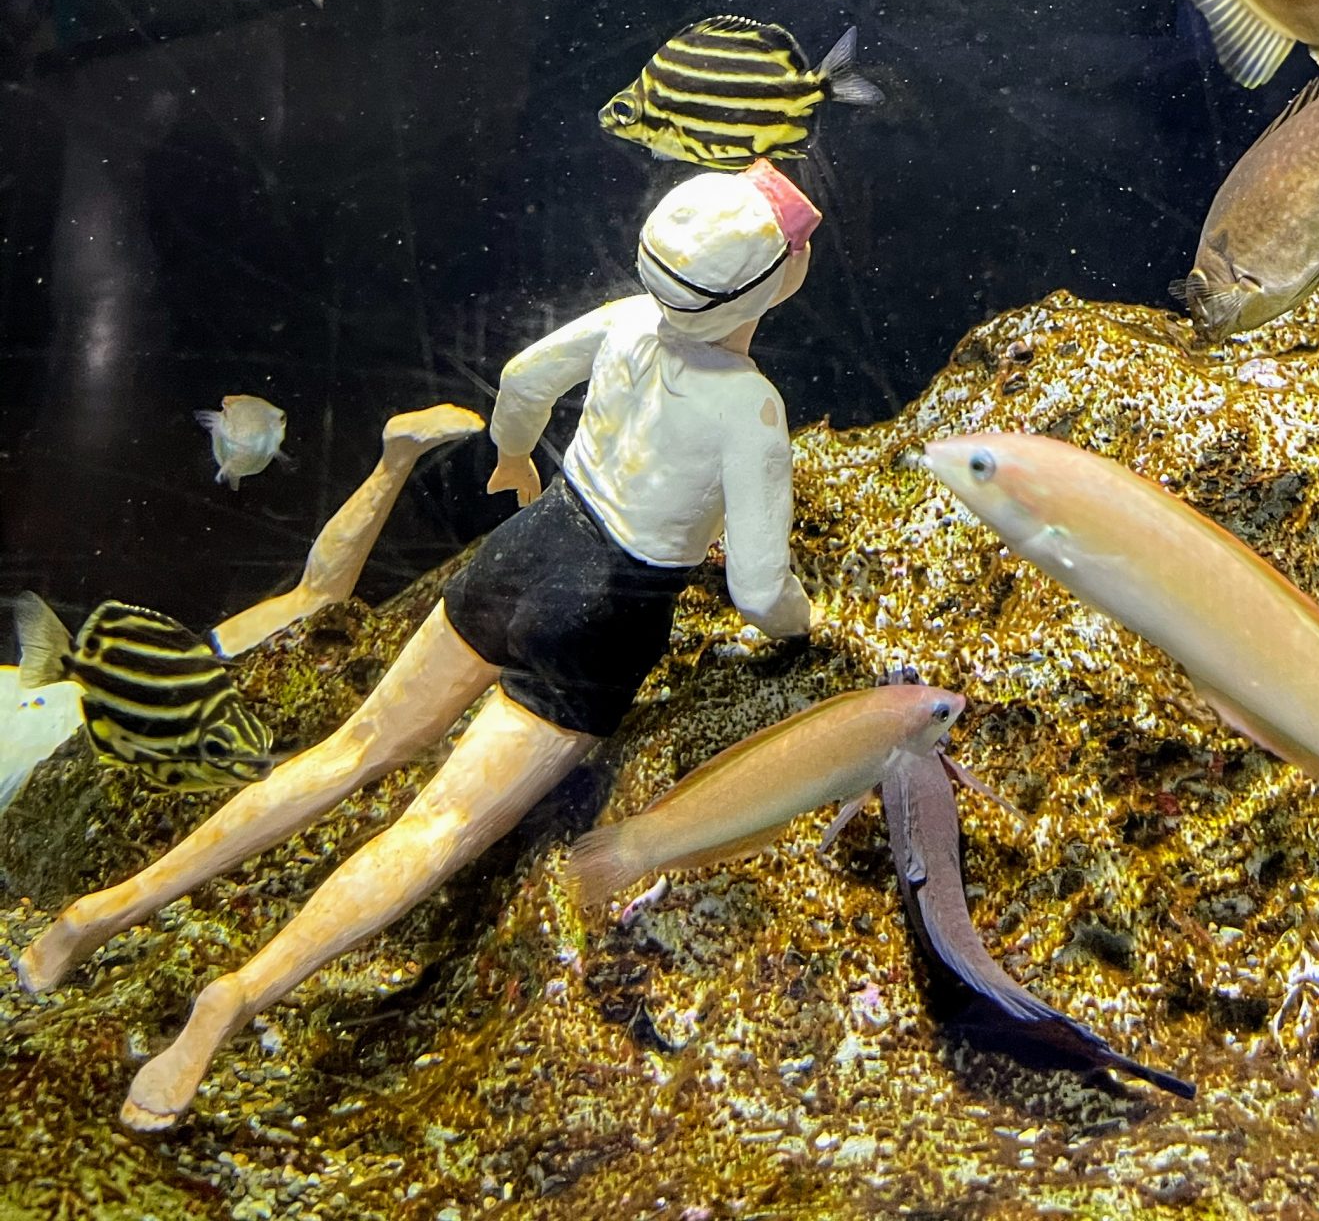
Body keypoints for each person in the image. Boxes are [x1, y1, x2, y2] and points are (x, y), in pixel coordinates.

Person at [18, 161, 823, 1131]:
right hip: (608, 610)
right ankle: (232, 1001)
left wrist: (516, 454)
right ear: (773, 284)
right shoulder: (751, 406)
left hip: (524, 549)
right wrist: (805, 625)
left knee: (348, 751)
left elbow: (522, 382)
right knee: (433, 827)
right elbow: (758, 589)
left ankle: (98, 913)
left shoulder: (623, 320)